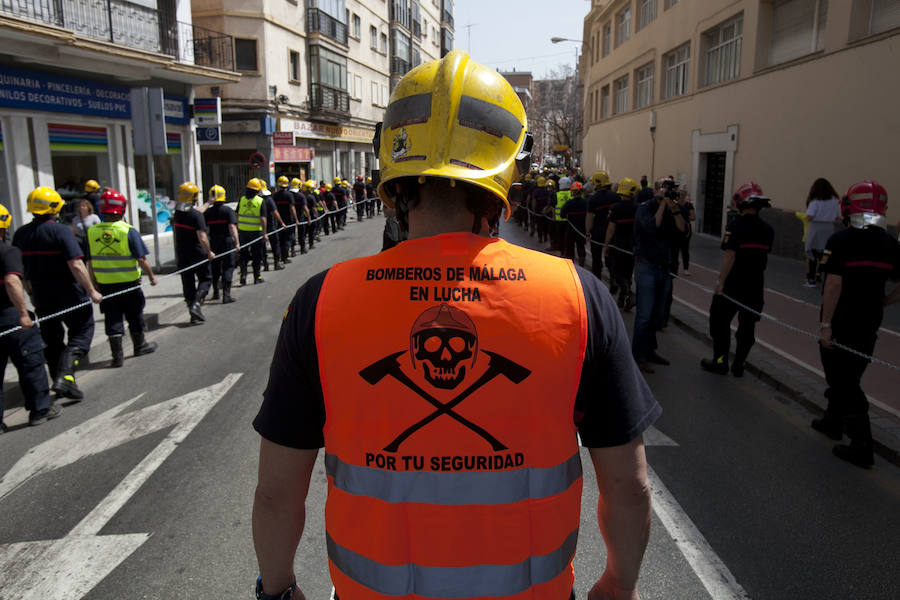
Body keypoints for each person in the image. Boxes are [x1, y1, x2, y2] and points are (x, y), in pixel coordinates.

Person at [251, 49, 659, 600]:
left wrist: (277, 591)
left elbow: (277, 493)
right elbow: (629, 487)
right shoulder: (577, 297)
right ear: (508, 174)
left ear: (392, 175)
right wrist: (618, 585)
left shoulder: (321, 301)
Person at [812, 180, 900, 468]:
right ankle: (832, 421)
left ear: (850, 207)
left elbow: (833, 285)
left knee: (843, 380)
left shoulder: (841, 241)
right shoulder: (889, 243)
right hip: (869, 323)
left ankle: (862, 445)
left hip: (841, 323)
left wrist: (826, 324)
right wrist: (885, 301)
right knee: (848, 375)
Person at [13, 187, 103, 400]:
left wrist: (30, 293)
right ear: (55, 208)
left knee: (52, 341)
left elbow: (20, 272)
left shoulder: (21, 234)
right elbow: (76, 264)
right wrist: (92, 291)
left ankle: (60, 382)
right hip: (70, 294)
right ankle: (65, 377)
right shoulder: (61, 230)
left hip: (42, 296)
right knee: (82, 333)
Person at [700, 182, 774, 377]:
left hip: (733, 284)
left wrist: (720, 281)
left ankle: (720, 361)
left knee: (719, 322)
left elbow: (729, 256)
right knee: (747, 327)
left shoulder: (735, 226)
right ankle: (739, 364)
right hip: (756, 285)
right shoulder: (768, 230)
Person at [0, 203, 60, 429]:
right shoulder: (8, 251)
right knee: (30, 364)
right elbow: (12, 281)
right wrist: (23, 314)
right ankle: (40, 410)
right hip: (10, 316)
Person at [88, 189, 158, 367]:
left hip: (105, 286)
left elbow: (89, 262)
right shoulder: (128, 231)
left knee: (112, 318)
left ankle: (117, 356)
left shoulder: (92, 232)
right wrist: (151, 277)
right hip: (129, 285)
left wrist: (92, 284)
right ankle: (139, 345)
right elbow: (141, 259)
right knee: (134, 315)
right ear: (122, 208)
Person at [631, 177, 685, 373]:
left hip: (664, 267)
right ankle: (638, 356)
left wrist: (675, 207)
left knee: (658, 315)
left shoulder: (672, 209)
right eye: (664, 190)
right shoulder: (644, 208)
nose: (667, 193)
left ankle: (650, 351)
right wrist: (662, 204)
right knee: (644, 315)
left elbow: (683, 230)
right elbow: (652, 227)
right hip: (646, 266)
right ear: (656, 191)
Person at [173, 182, 215, 324]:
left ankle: (192, 312)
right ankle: (197, 304)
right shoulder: (196, 216)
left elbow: (197, 211)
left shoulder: (177, 214)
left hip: (182, 255)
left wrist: (209, 203)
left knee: (188, 284)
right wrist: (209, 252)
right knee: (206, 279)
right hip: (197, 255)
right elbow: (202, 237)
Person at [602, 178, 640, 311]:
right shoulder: (638, 208)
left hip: (618, 243)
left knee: (616, 271)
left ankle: (628, 291)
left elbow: (611, 228)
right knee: (628, 271)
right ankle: (622, 300)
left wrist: (606, 245)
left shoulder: (616, 208)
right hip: (633, 244)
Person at [204, 185, 241, 304]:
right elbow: (232, 227)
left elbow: (204, 229)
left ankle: (215, 292)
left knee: (215, 267)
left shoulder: (208, 212)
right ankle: (226, 295)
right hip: (227, 241)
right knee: (228, 267)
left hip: (213, 242)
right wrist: (237, 242)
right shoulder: (227, 210)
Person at [803, 178, 841, 287]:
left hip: (816, 228)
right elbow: (839, 215)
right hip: (829, 229)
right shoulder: (835, 200)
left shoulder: (815, 201)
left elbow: (810, 216)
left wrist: (806, 216)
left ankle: (811, 279)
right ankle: (821, 273)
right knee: (826, 253)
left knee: (812, 254)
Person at [585, 171, 618, 283]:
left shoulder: (593, 199)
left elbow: (589, 218)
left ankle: (597, 282)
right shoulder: (615, 196)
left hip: (598, 233)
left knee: (596, 259)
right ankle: (613, 278)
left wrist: (587, 233)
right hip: (613, 233)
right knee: (611, 257)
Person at [238, 178, 268, 286]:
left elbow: (237, 214)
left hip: (243, 232)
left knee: (243, 255)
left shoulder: (242, 199)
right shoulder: (260, 201)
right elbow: (263, 219)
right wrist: (264, 234)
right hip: (256, 233)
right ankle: (257, 277)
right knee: (256, 256)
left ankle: (243, 275)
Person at [560, 181, 587, 267]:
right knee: (581, 247)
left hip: (571, 229)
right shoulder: (586, 202)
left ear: (573, 192)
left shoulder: (569, 203)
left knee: (570, 248)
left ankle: (571, 267)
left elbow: (562, 215)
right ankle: (581, 265)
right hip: (582, 229)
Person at [273, 176, 298, 266]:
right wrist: (296, 219)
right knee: (287, 239)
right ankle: (286, 257)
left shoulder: (275, 195)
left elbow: (274, 209)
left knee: (280, 239)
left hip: (278, 220)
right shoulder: (289, 195)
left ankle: (280, 257)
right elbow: (292, 208)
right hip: (288, 220)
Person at [289, 178, 310, 256]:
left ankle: (293, 250)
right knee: (301, 233)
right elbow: (305, 208)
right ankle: (302, 248)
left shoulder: (288, 194)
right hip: (300, 217)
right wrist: (309, 218)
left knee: (292, 234)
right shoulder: (301, 196)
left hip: (290, 218)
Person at [676, 190, 695, 275]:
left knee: (685, 249)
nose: (681, 196)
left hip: (686, 229)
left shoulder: (688, 205)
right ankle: (674, 266)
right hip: (676, 228)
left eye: (683, 194)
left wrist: (685, 217)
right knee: (675, 249)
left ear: (685, 195)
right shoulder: (674, 204)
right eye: (680, 194)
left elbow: (693, 217)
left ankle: (686, 268)